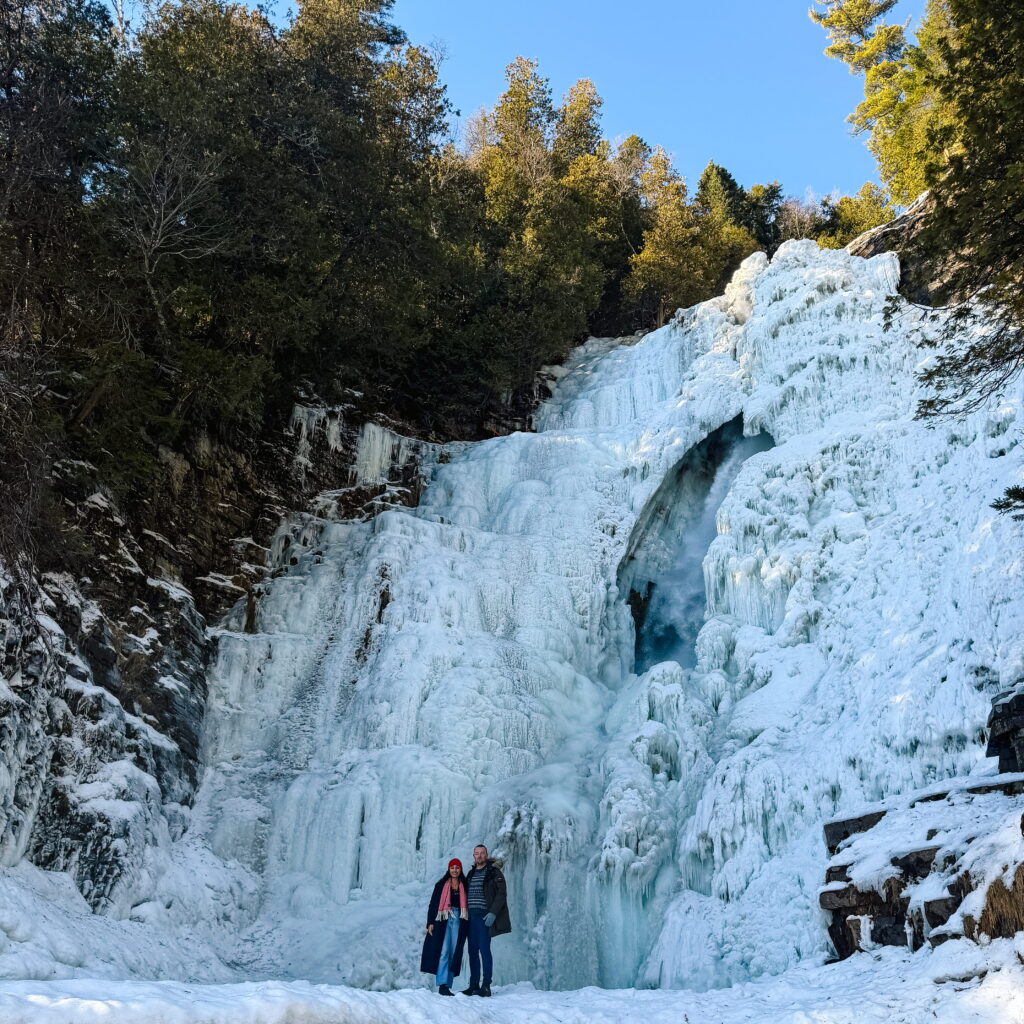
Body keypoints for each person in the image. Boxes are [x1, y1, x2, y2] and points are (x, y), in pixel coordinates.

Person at [461, 844, 511, 997]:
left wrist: (493, 913)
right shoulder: (470, 874)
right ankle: (473, 985)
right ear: (473, 856)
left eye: (482, 853)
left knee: (484, 950)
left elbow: (501, 894)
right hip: (471, 918)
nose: (480, 856)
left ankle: (486, 985)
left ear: (486, 854)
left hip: (484, 917)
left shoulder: (494, 872)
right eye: (477, 853)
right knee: (472, 952)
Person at [420, 858, 469, 995]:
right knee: (444, 951)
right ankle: (442, 984)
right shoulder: (441, 885)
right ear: (449, 869)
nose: (455, 870)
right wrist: (430, 922)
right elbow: (433, 904)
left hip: (459, 919)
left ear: (460, 869)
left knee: (454, 952)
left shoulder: (465, 884)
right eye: (452, 867)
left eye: (457, 868)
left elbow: (468, 905)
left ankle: (448, 984)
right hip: (443, 919)